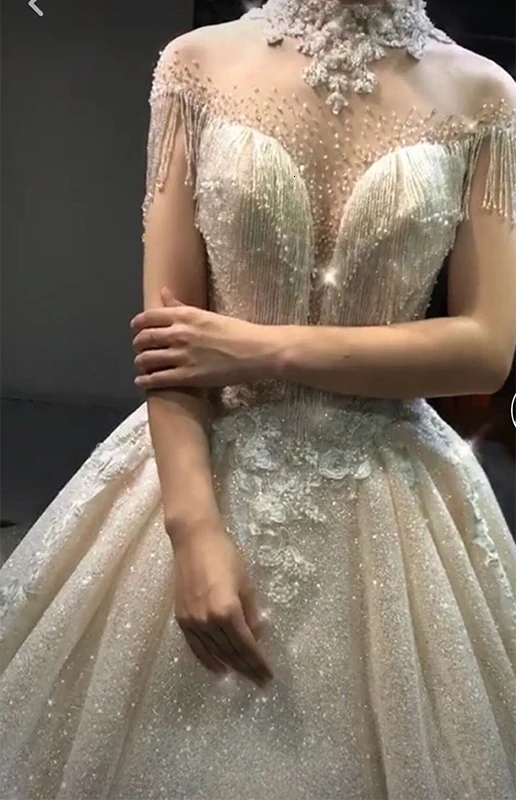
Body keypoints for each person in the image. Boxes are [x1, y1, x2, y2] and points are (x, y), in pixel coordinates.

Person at [0, 0, 515, 797]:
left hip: (392, 485)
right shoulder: (196, 66)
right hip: (207, 461)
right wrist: (192, 530)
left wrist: (256, 347)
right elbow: (169, 340)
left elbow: (484, 350)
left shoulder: (484, 94)